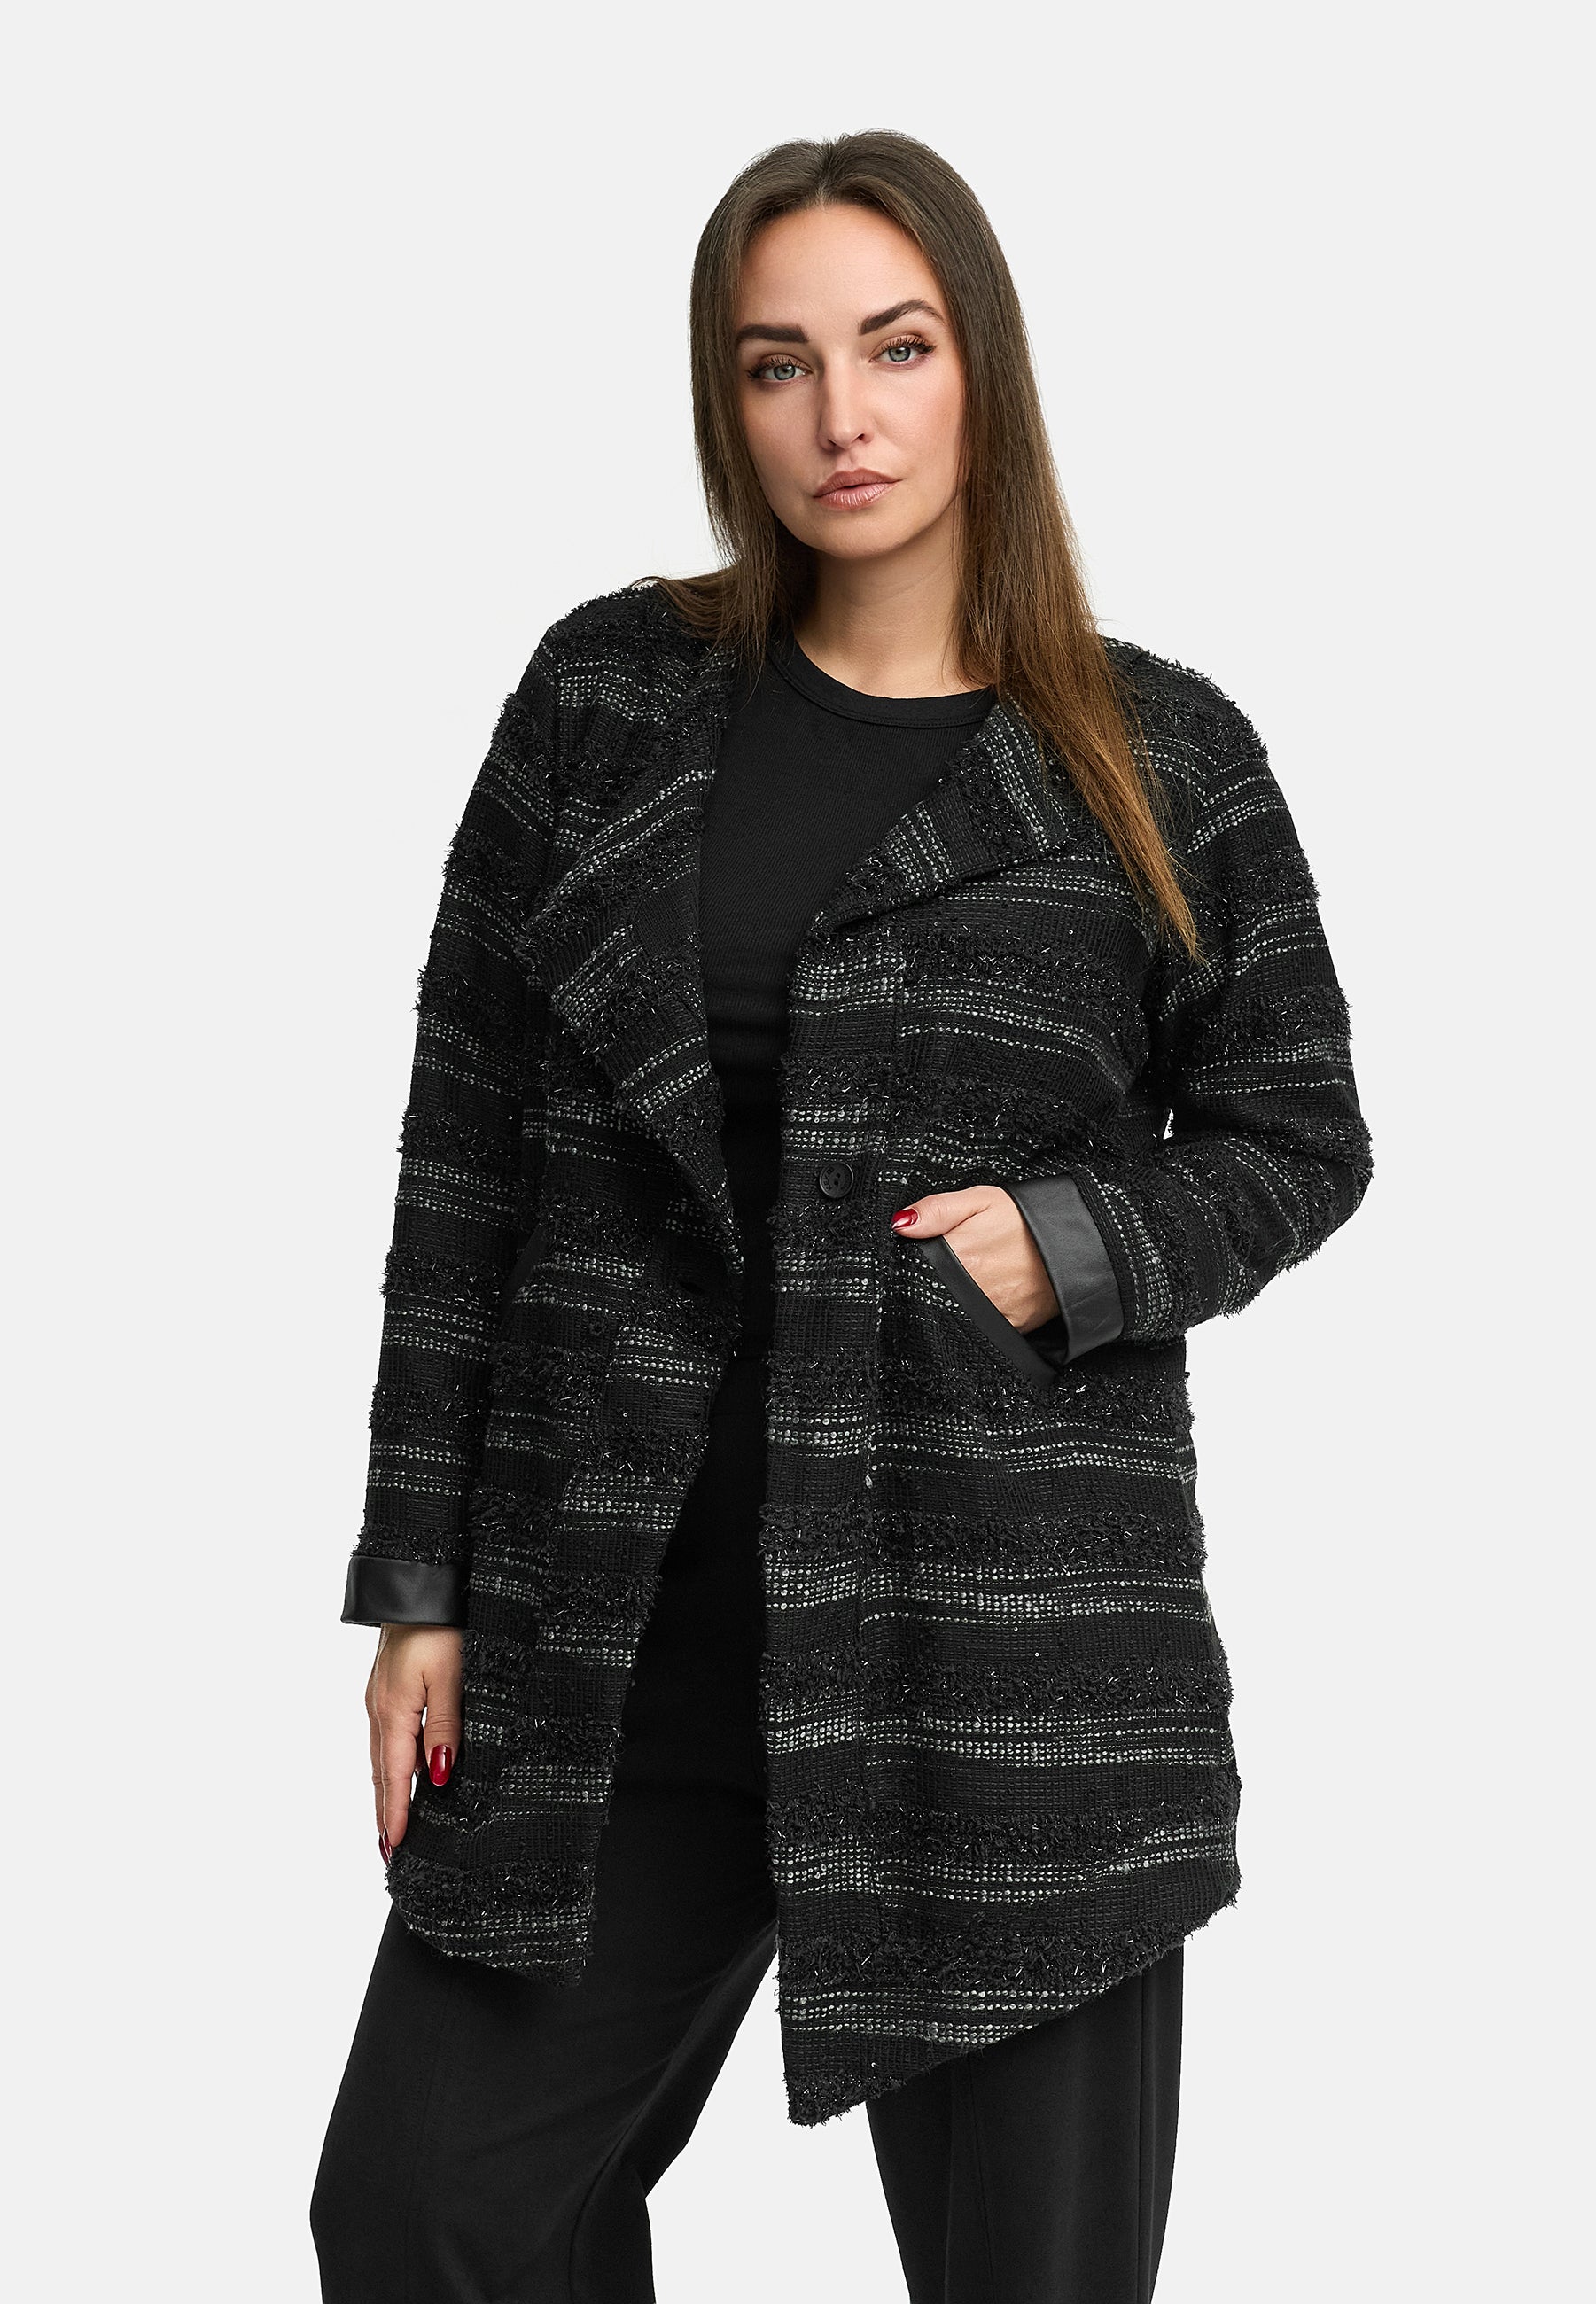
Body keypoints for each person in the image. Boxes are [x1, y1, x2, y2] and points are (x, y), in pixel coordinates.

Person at [309, 130, 1373, 2302]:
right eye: (776, 364)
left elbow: (1296, 1133)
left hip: (995, 1655)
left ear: (981, 365)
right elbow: (464, 1146)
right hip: (614, 1631)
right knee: (426, 2207)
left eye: (893, 349)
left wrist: (1074, 1243)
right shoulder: (606, 698)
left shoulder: (1161, 757)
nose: (839, 418)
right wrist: (422, 1576)